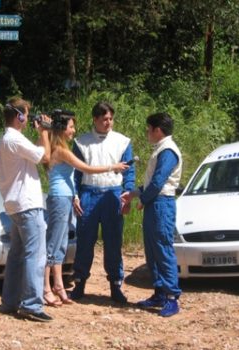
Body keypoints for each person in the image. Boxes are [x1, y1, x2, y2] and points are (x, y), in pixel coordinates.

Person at [43, 113, 129, 306]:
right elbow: (86, 169)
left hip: (67, 196)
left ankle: (58, 286)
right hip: (62, 197)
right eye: (71, 127)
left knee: (61, 243)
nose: (73, 130)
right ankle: (46, 288)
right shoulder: (61, 150)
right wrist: (112, 167)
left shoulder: (57, 147)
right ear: (61, 129)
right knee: (55, 243)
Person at [70, 102, 136, 303]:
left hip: (113, 195)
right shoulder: (82, 142)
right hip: (88, 194)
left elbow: (129, 170)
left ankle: (116, 285)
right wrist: (75, 195)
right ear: (95, 120)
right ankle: (79, 283)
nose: (108, 123)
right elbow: (75, 173)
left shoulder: (122, 141)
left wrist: (127, 193)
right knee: (84, 242)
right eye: (104, 119)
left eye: (111, 119)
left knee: (113, 242)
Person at [0, 97, 53, 322]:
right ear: (19, 116)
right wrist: (45, 132)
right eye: (26, 114)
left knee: (17, 255)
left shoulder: (6, 139)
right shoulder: (15, 139)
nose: (28, 118)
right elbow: (45, 156)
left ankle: (9, 301)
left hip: (15, 205)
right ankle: (31, 304)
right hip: (27, 205)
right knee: (35, 254)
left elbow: (35, 155)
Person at [120, 112, 182, 317]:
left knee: (163, 249)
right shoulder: (160, 149)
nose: (147, 132)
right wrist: (135, 193)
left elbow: (158, 181)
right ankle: (159, 292)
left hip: (161, 204)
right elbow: (149, 182)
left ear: (157, 130)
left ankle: (172, 297)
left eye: (149, 129)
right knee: (152, 250)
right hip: (154, 203)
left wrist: (143, 200)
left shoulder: (168, 151)